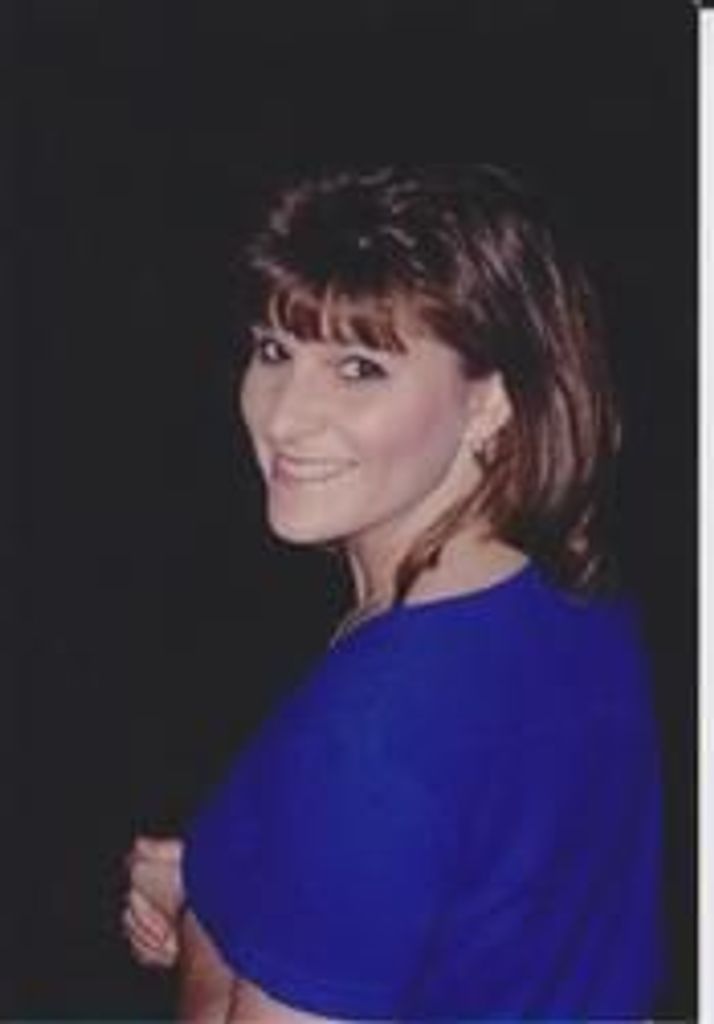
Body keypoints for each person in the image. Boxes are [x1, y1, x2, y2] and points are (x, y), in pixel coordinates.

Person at [122, 165, 664, 1019]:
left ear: (489, 404)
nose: (284, 417)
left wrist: (205, 915)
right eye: (275, 350)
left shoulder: (377, 725)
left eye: (359, 367)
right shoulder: (578, 606)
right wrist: (245, 870)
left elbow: (387, 793)